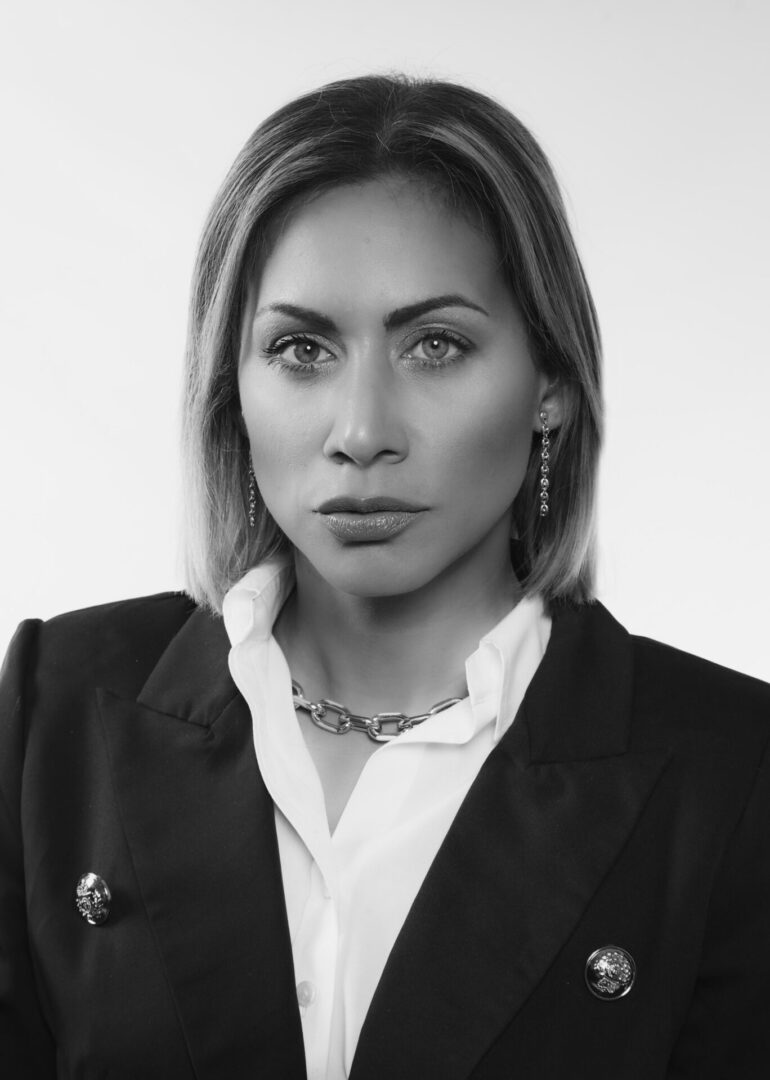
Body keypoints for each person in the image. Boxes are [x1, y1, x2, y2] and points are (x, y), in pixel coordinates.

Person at [1, 74, 768, 1080]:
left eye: (435, 345)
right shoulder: (61, 706)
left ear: (549, 389)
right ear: (229, 387)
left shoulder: (729, 769)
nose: (360, 433)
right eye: (300, 347)